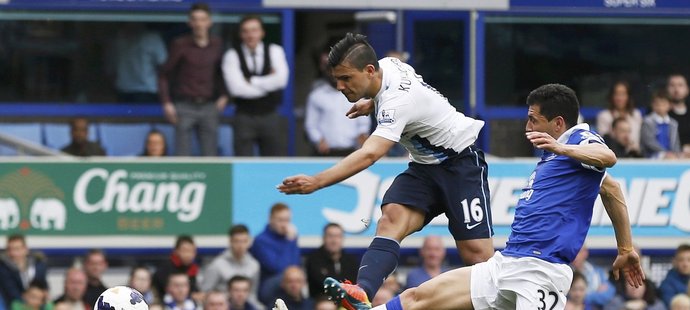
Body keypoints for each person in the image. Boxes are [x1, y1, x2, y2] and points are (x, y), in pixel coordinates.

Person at [314, 83, 646, 310]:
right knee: (416, 298)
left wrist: (562, 147)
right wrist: (626, 248)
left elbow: (607, 158)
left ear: (558, 123)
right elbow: (611, 187)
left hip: (540, 271)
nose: (527, 127)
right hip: (507, 263)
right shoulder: (560, 160)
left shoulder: (580, 139)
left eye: (534, 120)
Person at [277, 33, 494, 307]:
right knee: (390, 219)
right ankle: (361, 293)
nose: (340, 86)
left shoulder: (397, 102)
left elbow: (370, 154)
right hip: (424, 168)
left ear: (369, 71)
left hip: (461, 164)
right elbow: (406, 85)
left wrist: (317, 182)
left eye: (346, 79)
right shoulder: (389, 65)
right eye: (336, 79)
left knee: (480, 260)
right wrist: (372, 102)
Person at [158, 2, 229, 156]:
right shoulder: (180, 45)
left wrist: (225, 95)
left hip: (209, 105)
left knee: (210, 155)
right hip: (184, 105)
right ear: (189, 22)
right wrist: (166, 102)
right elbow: (164, 73)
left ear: (209, 22)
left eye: (203, 19)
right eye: (195, 19)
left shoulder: (217, 45)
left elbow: (223, 72)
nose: (199, 24)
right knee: (182, 155)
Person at [222, 15, 289, 156]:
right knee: (242, 161)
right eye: (246, 31)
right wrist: (268, 82)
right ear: (241, 34)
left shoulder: (274, 50)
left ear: (262, 32)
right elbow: (237, 89)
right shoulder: (232, 55)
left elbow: (281, 81)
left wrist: (252, 81)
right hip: (243, 116)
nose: (250, 35)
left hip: (270, 114)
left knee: (274, 160)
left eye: (254, 30)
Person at [304, 45, 371, 156]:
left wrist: (362, 134)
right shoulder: (316, 95)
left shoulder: (357, 93)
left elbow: (363, 121)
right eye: (331, 71)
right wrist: (318, 140)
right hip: (325, 152)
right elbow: (311, 125)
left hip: (352, 151)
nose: (334, 75)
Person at [249, 203, 300, 297]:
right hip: (268, 287)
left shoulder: (290, 237)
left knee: (296, 278)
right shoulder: (261, 240)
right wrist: (290, 242)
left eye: (287, 220)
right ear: (270, 219)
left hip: (288, 285)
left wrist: (291, 240)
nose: (284, 225)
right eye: (280, 220)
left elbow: (295, 265)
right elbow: (277, 268)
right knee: (291, 278)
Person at [201, 224, 260, 301]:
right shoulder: (217, 264)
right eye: (237, 241)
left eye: (244, 241)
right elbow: (205, 292)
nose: (240, 245)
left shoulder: (254, 265)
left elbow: (252, 294)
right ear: (230, 242)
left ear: (249, 242)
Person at [112, 23, 167, 103]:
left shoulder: (152, 38)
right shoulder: (117, 40)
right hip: (129, 90)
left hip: (144, 91)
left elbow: (164, 66)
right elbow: (164, 65)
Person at [304, 223, 358, 298]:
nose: (334, 241)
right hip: (320, 303)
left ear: (342, 239)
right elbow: (323, 284)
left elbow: (353, 286)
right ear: (324, 238)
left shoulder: (351, 261)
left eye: (338, 236)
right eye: (330, 236)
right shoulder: (313, 260)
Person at [0, 234, 48, 309]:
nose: (13, 253)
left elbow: (44, 287)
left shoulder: (39, 265)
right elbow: (12, 294)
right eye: (10, 249)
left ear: (25, 249)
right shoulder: (3, 269)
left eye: (17, 249)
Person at [596, 81, 642, 152]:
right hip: (613, 155)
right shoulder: (604, 116)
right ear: (612, 96)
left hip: (635, 156)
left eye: (623, 94)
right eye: (617, 94)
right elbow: (603, 142)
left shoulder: (636, 115)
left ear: (628, 96)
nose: (620, 98)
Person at [153, 236, 201, 302]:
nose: (189, 254)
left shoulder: (193, 269)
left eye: (192, 251)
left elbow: (195, 290)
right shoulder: (164, 269)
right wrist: (191, 296)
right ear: (176, 251)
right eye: (185, 250)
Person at [640, 90, 682, 159]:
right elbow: (649, 142)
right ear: (652, 105)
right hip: (652, 155)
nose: (660, 107)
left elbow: (676, 143)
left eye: (663, 104)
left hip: (672, 155)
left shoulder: (673, 123)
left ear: (670, 105)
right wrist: (665, 152)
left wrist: (677, 154)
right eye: (657, 104)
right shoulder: (647, 121)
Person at [667, 74, 690, 156]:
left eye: (680, 85)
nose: (676, 89)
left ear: (687, 89)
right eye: (672, 85)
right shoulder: (661, 115)